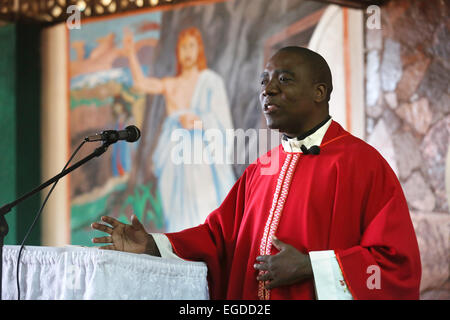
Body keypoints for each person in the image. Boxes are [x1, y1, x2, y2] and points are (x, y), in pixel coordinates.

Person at [91, 46, 422, 300]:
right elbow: (219, 240)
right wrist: (153, 245)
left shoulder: (363, 165)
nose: (268, 90)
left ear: (319, 93)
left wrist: (312, 268)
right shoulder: (260, 170)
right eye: (264, 81)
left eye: (284, 79)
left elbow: (396, 265)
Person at [123, 27, 236, 232]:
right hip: (174, 155)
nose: (187, 52)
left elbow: (221, 120)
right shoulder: (171, 84)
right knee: (176, 209)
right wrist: (130, 53)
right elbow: (141, 83)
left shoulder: (210, 81)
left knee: (204, 205)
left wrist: (198, 121)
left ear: (199, 49)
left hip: (200, 154)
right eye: (183, 47)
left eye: (191, 46)